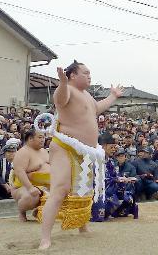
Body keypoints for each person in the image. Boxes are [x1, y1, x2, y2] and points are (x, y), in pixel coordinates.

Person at [39, 61, 123, 250]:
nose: (89, 76)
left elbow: (97, 108)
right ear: (73, 75)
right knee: (60, 190)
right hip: (64, 147)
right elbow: (59, 100)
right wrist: (61, 82)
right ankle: (45, 238)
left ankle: (82, 226)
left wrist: (113, 96)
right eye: (85, 73)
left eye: (90, 73)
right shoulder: (67, 90)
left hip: (86, 152)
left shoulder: (87, 95)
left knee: (84, 190)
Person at [10, 129, 50, 221]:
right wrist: (30, 187)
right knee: (31, 197)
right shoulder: (23, 152)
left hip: (45, 185)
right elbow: (19, 171)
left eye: (44, 137)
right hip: (23, 187)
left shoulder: (44, 151)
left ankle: (38, 210)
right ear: (30, 139)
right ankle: (21, 212)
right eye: (40, 137)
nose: (43, 140)